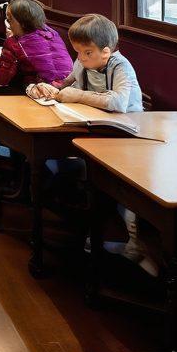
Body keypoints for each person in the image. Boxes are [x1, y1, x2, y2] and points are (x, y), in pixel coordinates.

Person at [29, 14, 154, 274]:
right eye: (77, 52)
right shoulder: (83, 61)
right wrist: (49, 88)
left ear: (106, 51)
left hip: (126, 137)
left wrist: (76, 95)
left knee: (119, 183)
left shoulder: (120, 67)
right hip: (91, 130)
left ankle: (132, 243)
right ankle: (81, 228)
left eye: (87, 53)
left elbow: (117, 102)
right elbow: (68, 83)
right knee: (53, 160)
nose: (81, 59)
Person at [0, 0, 73, 87]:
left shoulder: (14, 43)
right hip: (66, 88)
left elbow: (0, 79)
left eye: (9, 21)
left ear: (22, 23)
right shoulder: (53, 34)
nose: (9, 26)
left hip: (41, 91)